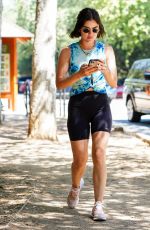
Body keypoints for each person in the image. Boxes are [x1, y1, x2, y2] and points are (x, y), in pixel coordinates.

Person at [56, 8, 117, 221]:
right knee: (80, 160)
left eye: (94, 29)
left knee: (99, 153)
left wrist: (104, 70)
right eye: (86, 29)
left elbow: (113, 83)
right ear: (79, 29)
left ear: (98, 29)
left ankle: (98, 205)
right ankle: (75, 187)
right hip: (78, 105)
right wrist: (79, 74)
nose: (90, 34)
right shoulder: (68, 52)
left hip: (100, 103)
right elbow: (60, 83)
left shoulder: (106, 50)